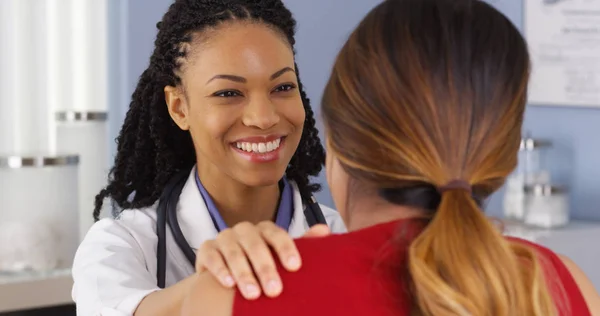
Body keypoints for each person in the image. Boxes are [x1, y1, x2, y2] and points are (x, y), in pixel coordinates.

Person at [181, 0, 600, 315]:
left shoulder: (240, 295)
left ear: (339, 146)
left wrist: (203, 288)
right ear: (499, 159)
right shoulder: (562, 285)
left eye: (282, 88)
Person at [71, 0, 346, 315]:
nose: (263, 117)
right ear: (179, 108)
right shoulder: (121, 246)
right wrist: (225, 277)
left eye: (282, 87)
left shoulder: (344, 233)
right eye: (228, 93)